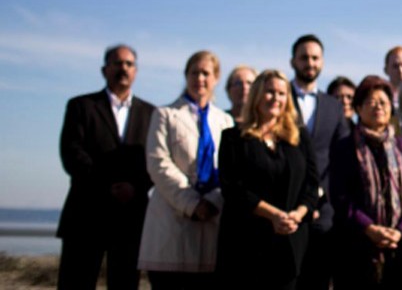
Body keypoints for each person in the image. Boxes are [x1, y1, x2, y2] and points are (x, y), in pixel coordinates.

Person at [57, 44, 155, 290]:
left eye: (129, 64)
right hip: (86, 214)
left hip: (131, 217)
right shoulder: (81, 106)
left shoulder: (151, 113)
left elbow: (156, 159)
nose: (123, 68)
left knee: (125, 284)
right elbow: (72, 154)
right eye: (117, 63)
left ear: (136, 71)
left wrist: (135, 187)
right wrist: (107, 186)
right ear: (104, 69)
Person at [138, 50, 233, 289]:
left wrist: (213, 200)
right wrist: (192, 203)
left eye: (205, 73)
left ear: (216, 77)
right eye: (194, 73)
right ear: (186, 75)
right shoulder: (165, 115)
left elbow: (231, 170)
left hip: (213, 220)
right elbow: (158, 163)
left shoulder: (225, 121)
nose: (199, 78)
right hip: (172, 222)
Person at [216, 69, 319, 289]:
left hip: (291, 243)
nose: (276, 98)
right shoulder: (233, 138)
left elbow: (311, 185)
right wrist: (274, 215)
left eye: (282, 93)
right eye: (270, 91)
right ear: (256, 95)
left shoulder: (299, 138)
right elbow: (233, 189)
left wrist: (297, 215)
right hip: (246, 244)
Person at [330, 75, 402, 290]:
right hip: (358, 248)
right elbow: (340, 197)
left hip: (400, 249)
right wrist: (369, 228)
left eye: (383, 102)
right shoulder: (345, 147)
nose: (378, 107)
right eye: (370, 102)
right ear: (358, 108)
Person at [290, 34, 352, 290]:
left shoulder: (333, 106)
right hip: (286, 207)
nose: (310, 63)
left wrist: (321, 195)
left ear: (322, 62)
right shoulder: (278, 98)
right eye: (304, 57)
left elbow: (342, 156)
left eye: (315, 58)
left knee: (317, 279)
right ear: (293, 61)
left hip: (323, 210)